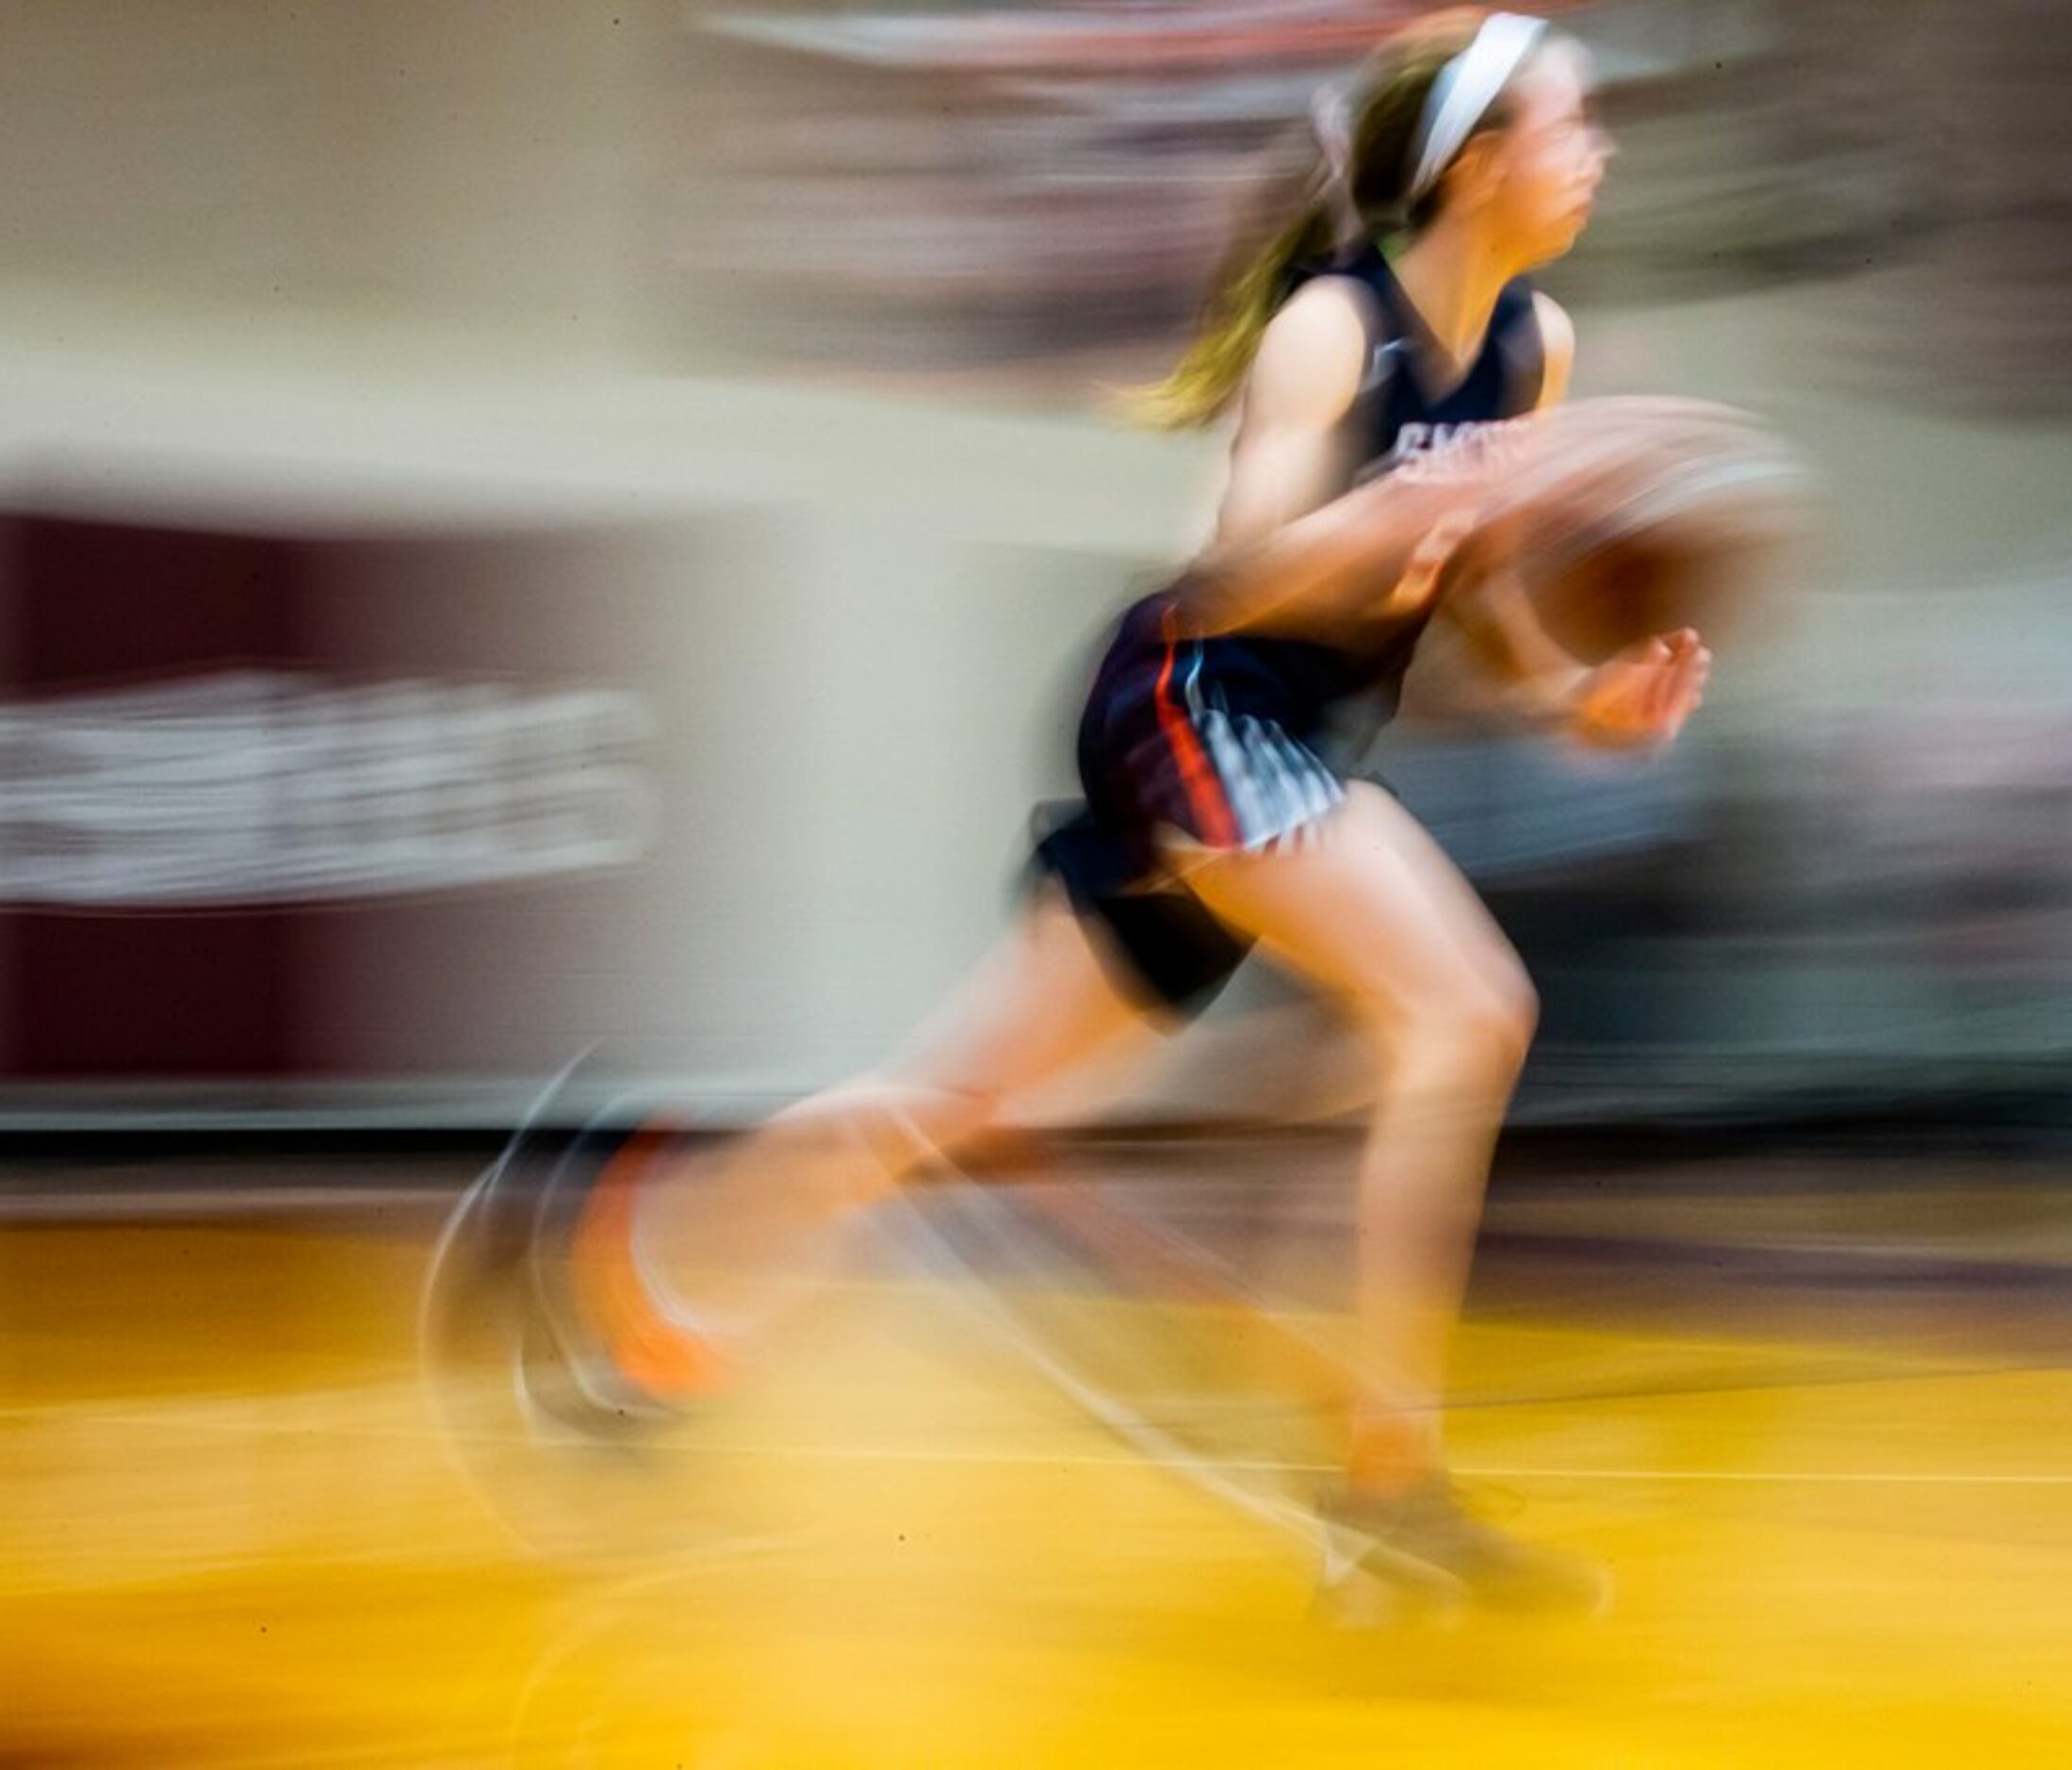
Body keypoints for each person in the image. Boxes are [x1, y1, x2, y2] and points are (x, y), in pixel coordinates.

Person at [537, 8, 1709, 1598]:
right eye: (1575, 123)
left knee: (954, 1111)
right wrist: (1403, 505)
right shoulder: (1328, 333)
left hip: (1285, 754)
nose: (1600, 151)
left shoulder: (1529, 346)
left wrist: (1584, 699)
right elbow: (1231, 583)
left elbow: (1484, 614)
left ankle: (642, 1307)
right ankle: (1386, 1478)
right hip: (1191, 706)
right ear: (1483, 163)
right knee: (1466, 1008)